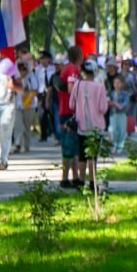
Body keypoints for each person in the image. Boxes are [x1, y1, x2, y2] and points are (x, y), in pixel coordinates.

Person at [71, 59, 110, 190]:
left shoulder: (77, 85)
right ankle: (92, 183)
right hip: (96, 126)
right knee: (93, 155)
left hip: (81, 124)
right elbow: (102, 108)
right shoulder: (99, 87)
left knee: (82, 154)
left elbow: (71, 105)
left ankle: (81, 181)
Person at [53, 46, 83, 188]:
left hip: (63, 111)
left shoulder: (65, 68)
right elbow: (71, 89)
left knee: (73, 147)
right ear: (79, 55)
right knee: (70, 147)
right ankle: (65, 178)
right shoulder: (73, 69)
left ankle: (74, 176)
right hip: (70, 112)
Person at [108, 75, 131, 153]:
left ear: (122, 84)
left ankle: (120, 146)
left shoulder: (125, 94)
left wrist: (114, 103)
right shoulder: (111, 93)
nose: (116, 84)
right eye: (115, 82)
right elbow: (108, 103)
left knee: (122, 130)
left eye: (118, 82)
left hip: (122, 114)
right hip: (113, 114)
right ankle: (114, 145)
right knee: (113, 130)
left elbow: (123, 105)